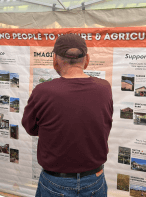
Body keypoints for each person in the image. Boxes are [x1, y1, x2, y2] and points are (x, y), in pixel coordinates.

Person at [22, 34, 113, 196]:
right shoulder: (104, 88)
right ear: (87, 59)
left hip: (56, 182)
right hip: (94, 179)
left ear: (55, 59)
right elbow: (103, 123)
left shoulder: (43, 91)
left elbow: (30, 128)